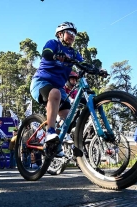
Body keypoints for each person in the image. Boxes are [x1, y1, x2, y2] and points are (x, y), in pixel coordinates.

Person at [30, 21, 87, 157]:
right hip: (41, 82)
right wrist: (55, 56)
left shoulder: (73, 52)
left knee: (69, 117)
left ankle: (56, 144)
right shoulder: (53, 43)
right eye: (70, 32)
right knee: (55, 93)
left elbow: (83, 63)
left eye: (74, 34)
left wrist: (97, 70)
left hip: (58, 87)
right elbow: (46, 53)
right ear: (60, 34)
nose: (73, 36)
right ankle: (50, 132)